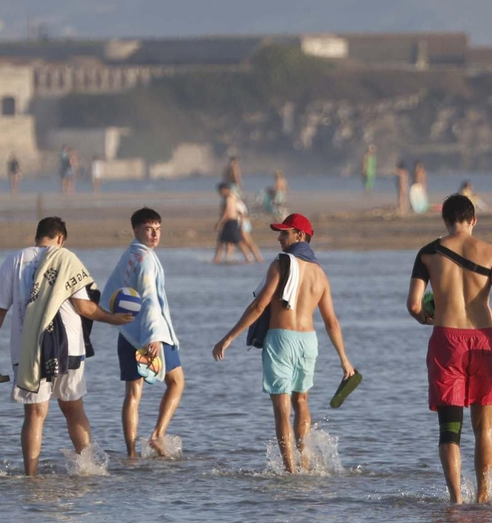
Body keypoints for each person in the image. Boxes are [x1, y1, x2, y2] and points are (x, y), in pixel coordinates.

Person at [0, 217, 131, 477]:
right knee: (73, 407)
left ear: (38, 235)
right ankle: (88, 469)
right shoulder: (67, 258)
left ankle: (31, 476)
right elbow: (84, 307)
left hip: (29, 348)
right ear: (60, 239)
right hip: (69, 347)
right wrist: (112, 318)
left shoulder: (14, 260)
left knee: (35, 413)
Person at [406, 194, 492, 504]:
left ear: (445, 220)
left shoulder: (428, 253)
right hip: (484, 339)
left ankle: (455, 501)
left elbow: (413, 304)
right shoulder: (491, 253)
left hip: (447, 341)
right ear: (473, 220)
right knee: (484, 426)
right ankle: (483, 497)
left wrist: (425, 317)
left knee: (450, 428)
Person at [212, 213, 355, 473]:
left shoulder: (281, 263)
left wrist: (228, 337)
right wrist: (344, 359)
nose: (279, 238)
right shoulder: (320, 273)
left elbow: (259, 305)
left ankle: (290, 470)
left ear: (300, 235)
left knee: (281, 409)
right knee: (302, 402)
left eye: (284, 233)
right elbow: (331, 321)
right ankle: (306, 462)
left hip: (282, 340)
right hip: (308, 342)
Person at [102, 208, 185, 458]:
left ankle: (131, 454)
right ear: (136, 230)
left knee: (133, 393)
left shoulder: (129, 255)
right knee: (176, 382)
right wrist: (153, 338)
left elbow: (109, 294)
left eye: (158, 229)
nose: (154, 234)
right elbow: (149, 300)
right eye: (149, 229)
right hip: (151, 335)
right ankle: (157, 435)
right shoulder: (146, 259)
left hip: (127, 333)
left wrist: (116, 319)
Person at [214, 183, 248, 264]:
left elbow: (227, 212)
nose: (220, 193)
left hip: (231, 221)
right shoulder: (232, 197)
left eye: (220, 191)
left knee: (237, 241)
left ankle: (248, 257)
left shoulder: (229, 198)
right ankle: (217, 258)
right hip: (230, 221)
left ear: (224, 189)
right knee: (221, 241)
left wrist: (220, 222)